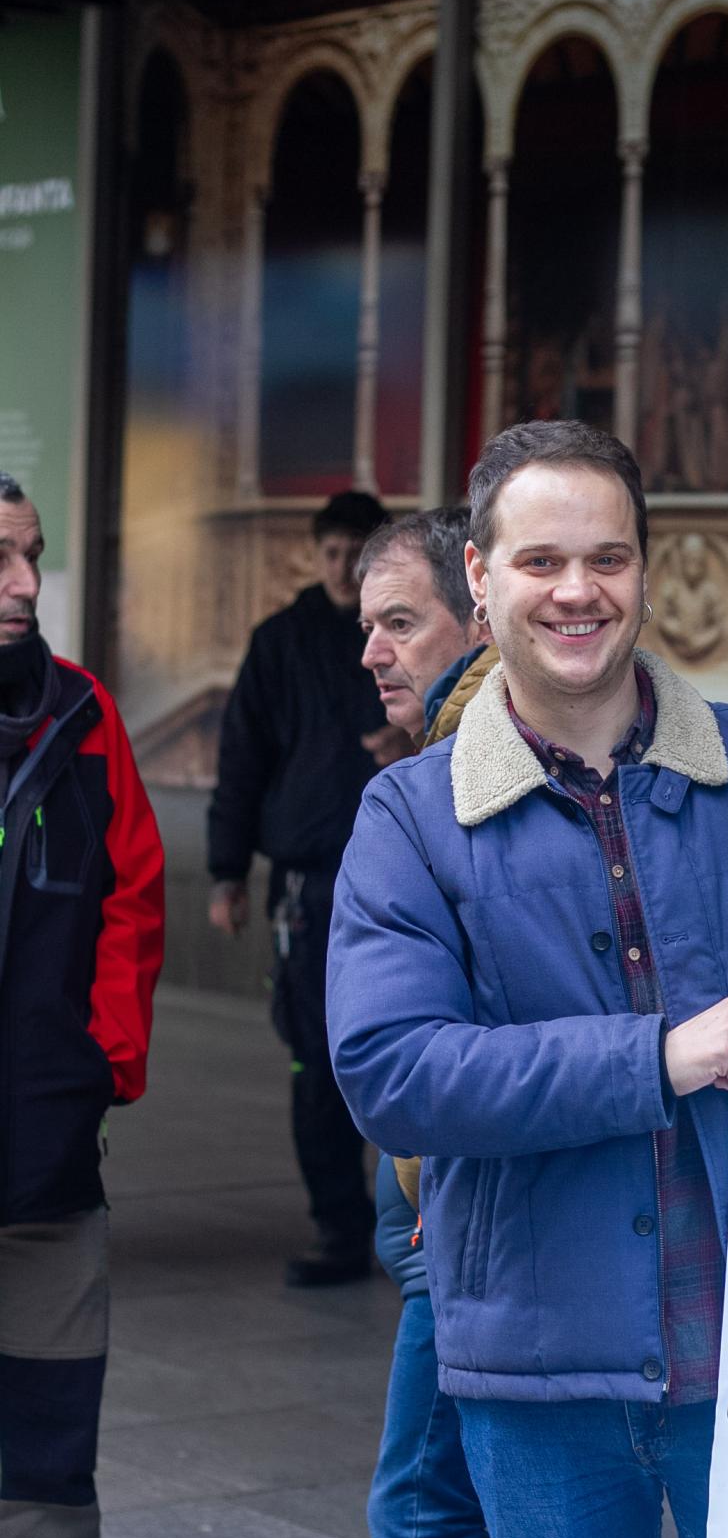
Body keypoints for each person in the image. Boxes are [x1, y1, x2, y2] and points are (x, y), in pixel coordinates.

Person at [326, 420, 728, 1538]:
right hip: (540, 1377)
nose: (579, 591)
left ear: (645, 566)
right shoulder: (409, 817)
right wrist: (653, 1054)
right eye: (540, 562)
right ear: (480, 577)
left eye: (610, 559)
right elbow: (393, 1073)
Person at [0, 473, 164, 1538]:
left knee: (50, 1453)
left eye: (34, 555)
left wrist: (102, 1064)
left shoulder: (82, 709)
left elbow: (136, 894)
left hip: (46, 1164)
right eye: (0, 558)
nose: (24, 584)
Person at [354, 507, 501, 1538]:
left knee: (419, 1512)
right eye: (370, 626)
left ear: (475, 610)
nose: (373, 652)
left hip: (469, 1214)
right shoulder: (432, 766)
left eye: (400, 622)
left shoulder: (474, 768)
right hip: (441, 1207)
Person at [207, 488, 400, 1287]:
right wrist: (225, 872)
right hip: (306, 880)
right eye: (331, 554)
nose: (342, 571)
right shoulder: (279, 641)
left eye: (357, 556)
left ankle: (413, 1228)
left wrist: (414, 732)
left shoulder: (401, 636)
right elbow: (241, 758)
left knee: (404, 1047)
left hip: (394, 868)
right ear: (315, 556)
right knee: (315, 1060)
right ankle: (337, 1227)